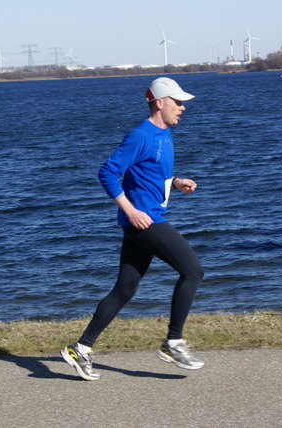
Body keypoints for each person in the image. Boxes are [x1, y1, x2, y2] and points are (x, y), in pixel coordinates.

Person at [61, 77, 205, 381]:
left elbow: (148, 170)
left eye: (182, 103)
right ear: (160, 102)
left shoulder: (163, 134)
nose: (182, 108)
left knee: (125, 289)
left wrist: (175, 182)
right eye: (177, 102)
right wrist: (130, 210)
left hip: (144, 219)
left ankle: (80, 349)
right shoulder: (141, 135)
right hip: (145, 221)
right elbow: (108, 172)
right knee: (193, 270)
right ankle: (173, 343)